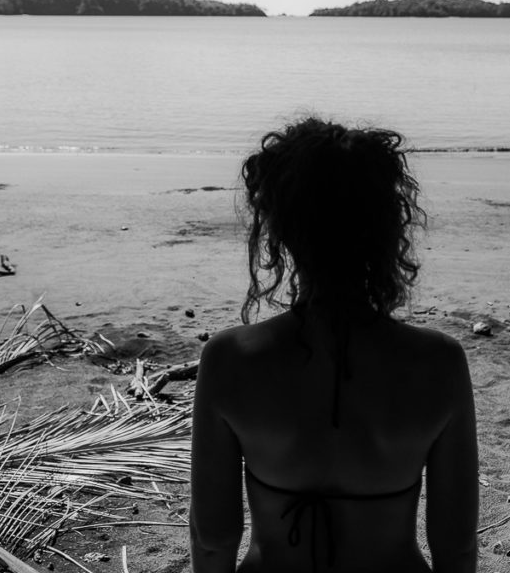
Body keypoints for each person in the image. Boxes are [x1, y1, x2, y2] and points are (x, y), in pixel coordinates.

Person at [190, 117, 478, 573]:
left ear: (280, 229)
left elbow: (213, 539)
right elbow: (456, 546)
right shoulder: (439, 363)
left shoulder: (229, 360)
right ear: (385, 226)